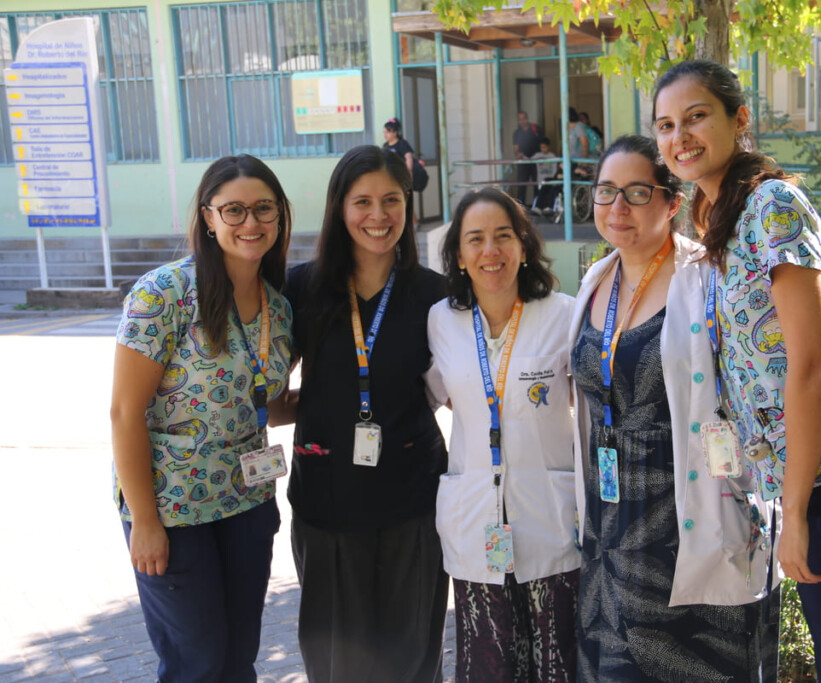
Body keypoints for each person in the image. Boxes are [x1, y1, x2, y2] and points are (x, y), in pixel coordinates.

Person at [652, 59, 821, 683]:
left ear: (739, 120)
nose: (679, 137)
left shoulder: (771, 204)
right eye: (666, 125)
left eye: (696, 117)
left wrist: (795, 514)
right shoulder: (716, 216)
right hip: (810, 480)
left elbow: (807, 366)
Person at [568, 135, 821, 682]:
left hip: (697, 520)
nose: (619, 208)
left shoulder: (708, 273)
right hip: (612, 531)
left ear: (671, 201)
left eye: (637, 192)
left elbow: (786, 347)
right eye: (606, 192)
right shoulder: (594, 282)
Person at [110, 154, 293, 682]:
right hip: (173, 511)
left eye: (263, 209)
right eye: (233, 210)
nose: (251, 223)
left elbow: (264, 400)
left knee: (238, 657)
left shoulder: (278, 309)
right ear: (208, 218)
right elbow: (125, 412)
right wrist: (144, 521)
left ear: (280, 216)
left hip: (247, 504)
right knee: (197, 663)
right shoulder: (163, 294)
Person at [279, 144, 449, 682]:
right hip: (327, 502)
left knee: (411, 657)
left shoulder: (436, 296)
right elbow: (266, 392)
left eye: (392, 200)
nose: (379, 216)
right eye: (363, 202)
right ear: (339, 208)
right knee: (337, 661)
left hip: (414, 500)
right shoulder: (301, 288)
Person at [425, 188, 579, 682]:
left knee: (557, 662)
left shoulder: (564, 315)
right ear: (459, 255)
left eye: (502, 237)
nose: (490, 251)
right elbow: (438, 393)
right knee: (487, 665)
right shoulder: (441, 321)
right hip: (475, 522)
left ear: (523, 246)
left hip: (548, 520)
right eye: (476, 239)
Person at [512, 111, 542, 205]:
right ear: (517, 120)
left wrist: (542, 156)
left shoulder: (536, 129)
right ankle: (521, 207)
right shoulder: (516, 133)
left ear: (527, 118)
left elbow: (543, 144)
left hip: (536, 161)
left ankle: (538, 206)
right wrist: (518, 154)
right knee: (521, 185)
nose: (522, 121)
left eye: (523, 118)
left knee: (537, 184)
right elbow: (516, 149)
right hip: (523, 162)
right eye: (519, 119)